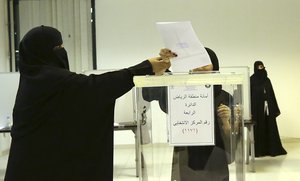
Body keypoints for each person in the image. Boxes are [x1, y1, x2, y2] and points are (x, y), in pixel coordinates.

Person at [4, 25, 177, 181]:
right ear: (43, 52)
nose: (63, 51)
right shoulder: (50, 80)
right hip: (36, 168)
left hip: (32, 165)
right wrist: (146, 67)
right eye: (58, 47)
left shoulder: (33, 79)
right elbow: (96, 87)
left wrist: (153, 67)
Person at [142, 48, 233, 181]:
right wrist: (162, 65)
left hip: (216, 158)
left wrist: (226, 121)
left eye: (205, 63)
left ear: (215, 66)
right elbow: (150, 93)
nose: (200, 67)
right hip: (186, 155)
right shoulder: (180, 93)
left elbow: (234, 136)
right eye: (195, 63)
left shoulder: (225, 97)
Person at [250, 61, 287, 157]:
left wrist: (273, 107)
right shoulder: (251, 80)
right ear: (255, 67)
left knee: (269, 126)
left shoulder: (267, 80)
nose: (260, 68)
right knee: (258, 127)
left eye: (262, 66)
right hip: (256, 109)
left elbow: (271, 94)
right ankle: (259, 150)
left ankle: (271, 149)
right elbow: (250, 95)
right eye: (258, 66)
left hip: (268, 108)